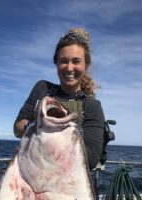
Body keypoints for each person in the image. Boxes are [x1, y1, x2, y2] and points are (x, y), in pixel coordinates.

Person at [14, 28, 105, 169]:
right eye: (63, 61)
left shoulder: (92, 105)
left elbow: (92, 159)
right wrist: (35, 126)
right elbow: (17, 127)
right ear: (56, 63)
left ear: (85, 65)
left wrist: (58, 133)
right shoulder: (42, 88)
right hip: (31, 173)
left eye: (76, 61)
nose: (69, 68)